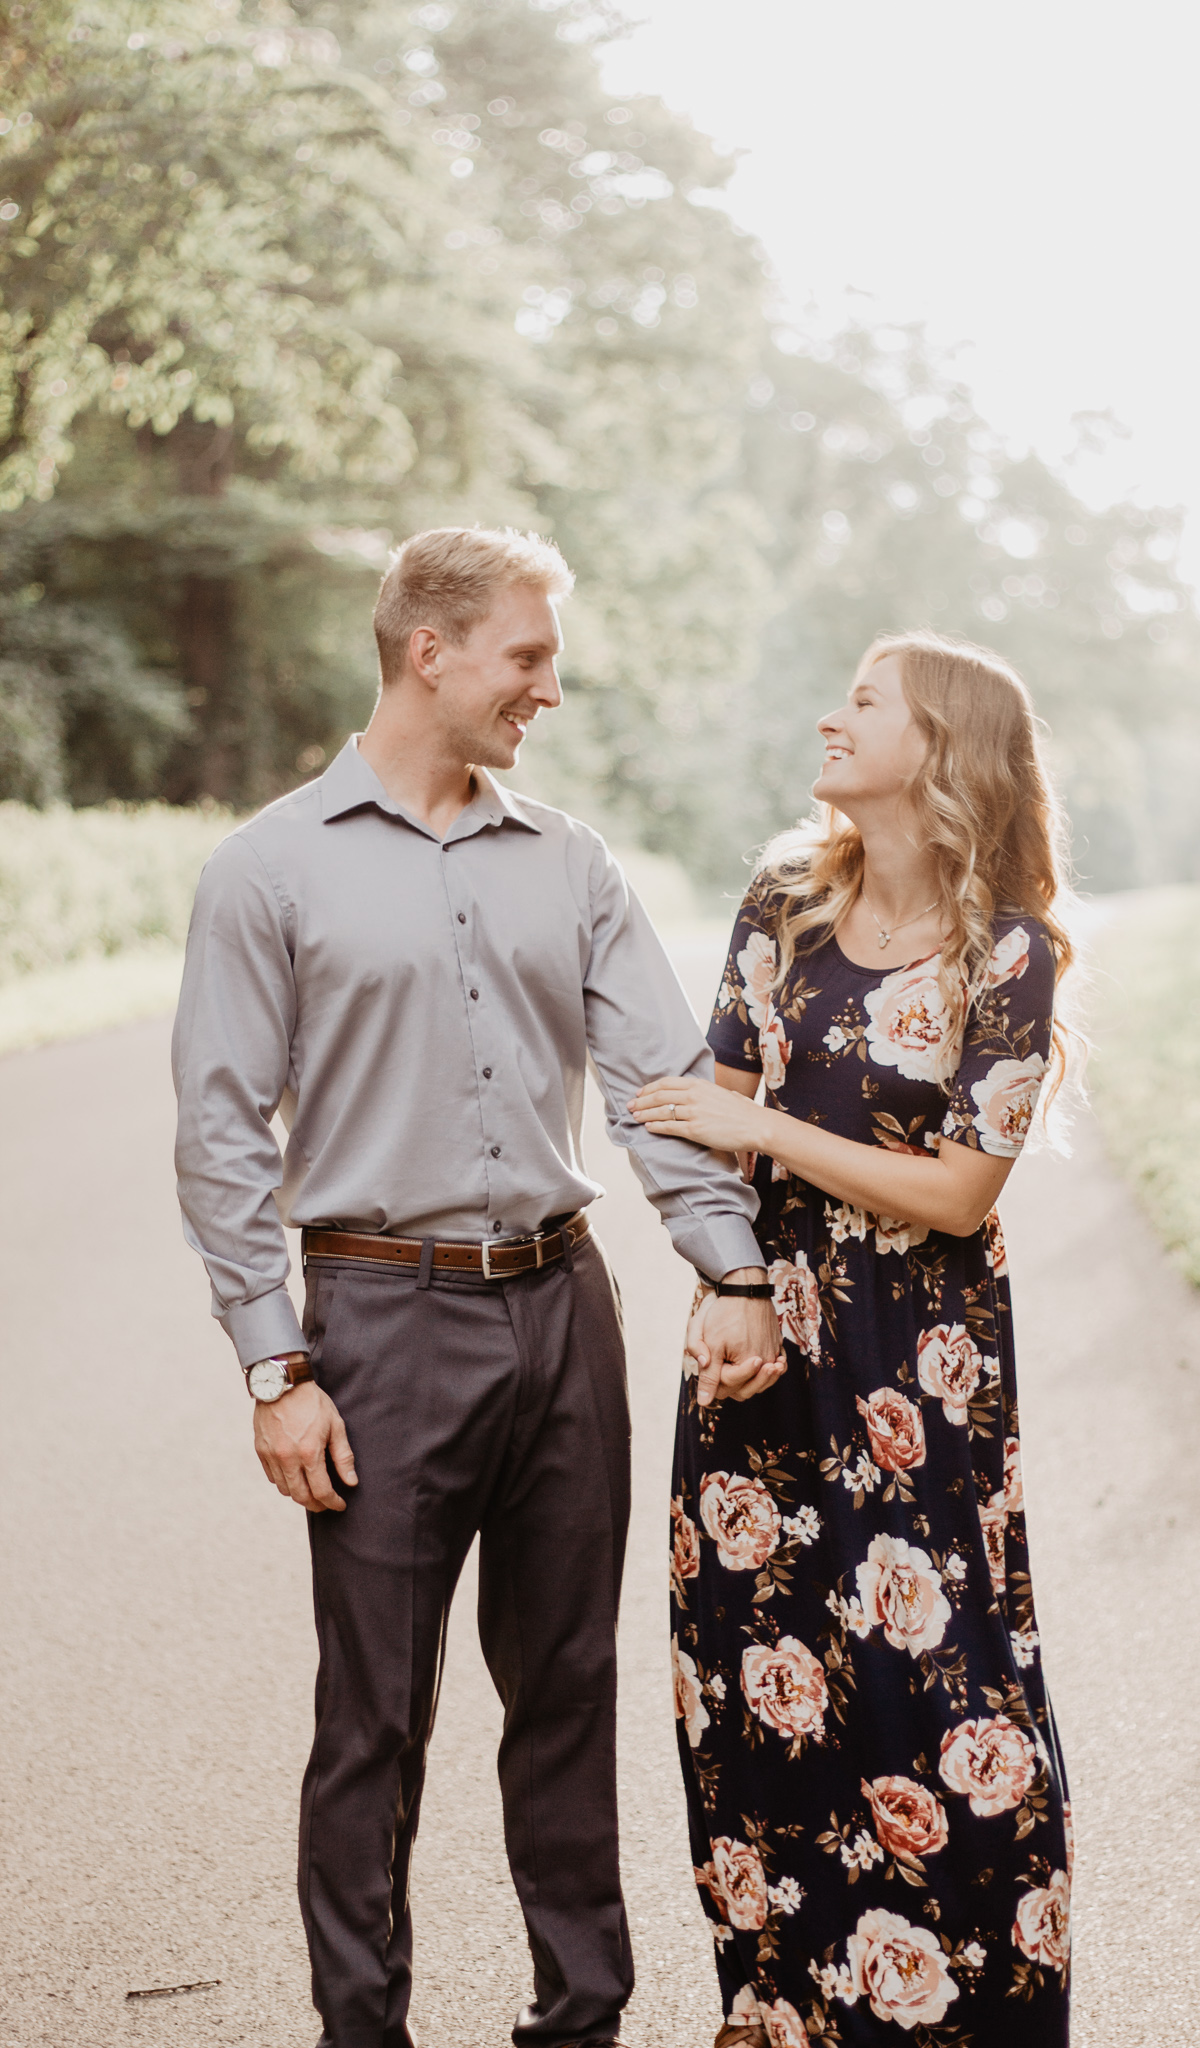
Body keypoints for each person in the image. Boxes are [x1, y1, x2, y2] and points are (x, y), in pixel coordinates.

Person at [171, 524, 783, 2048]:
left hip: (564, 1317)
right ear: (428, 651)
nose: (549, 690)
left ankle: (579, 2021)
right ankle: (361, 2032)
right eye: (528, 655)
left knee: (569, 1696)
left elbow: (659, 1080)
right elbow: (217, 1128)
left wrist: (732, 1261)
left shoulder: (569, 862)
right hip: (376, 1328)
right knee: (373, 1720)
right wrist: (273, 1365)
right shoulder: (267, 868)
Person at [631, 630, 1077, 2047]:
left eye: (863, 702)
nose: (830, 718)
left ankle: (972, 2024)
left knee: (939, 1693)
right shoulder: (780, 907)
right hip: (765, 1339)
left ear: (938, 745)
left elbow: (955, 1190)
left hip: (917, 1366)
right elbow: (696, 1128)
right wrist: (724, 1282)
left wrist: (767, 1127)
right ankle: (787, 2014)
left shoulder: (1010, 952)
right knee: (761, 1689)